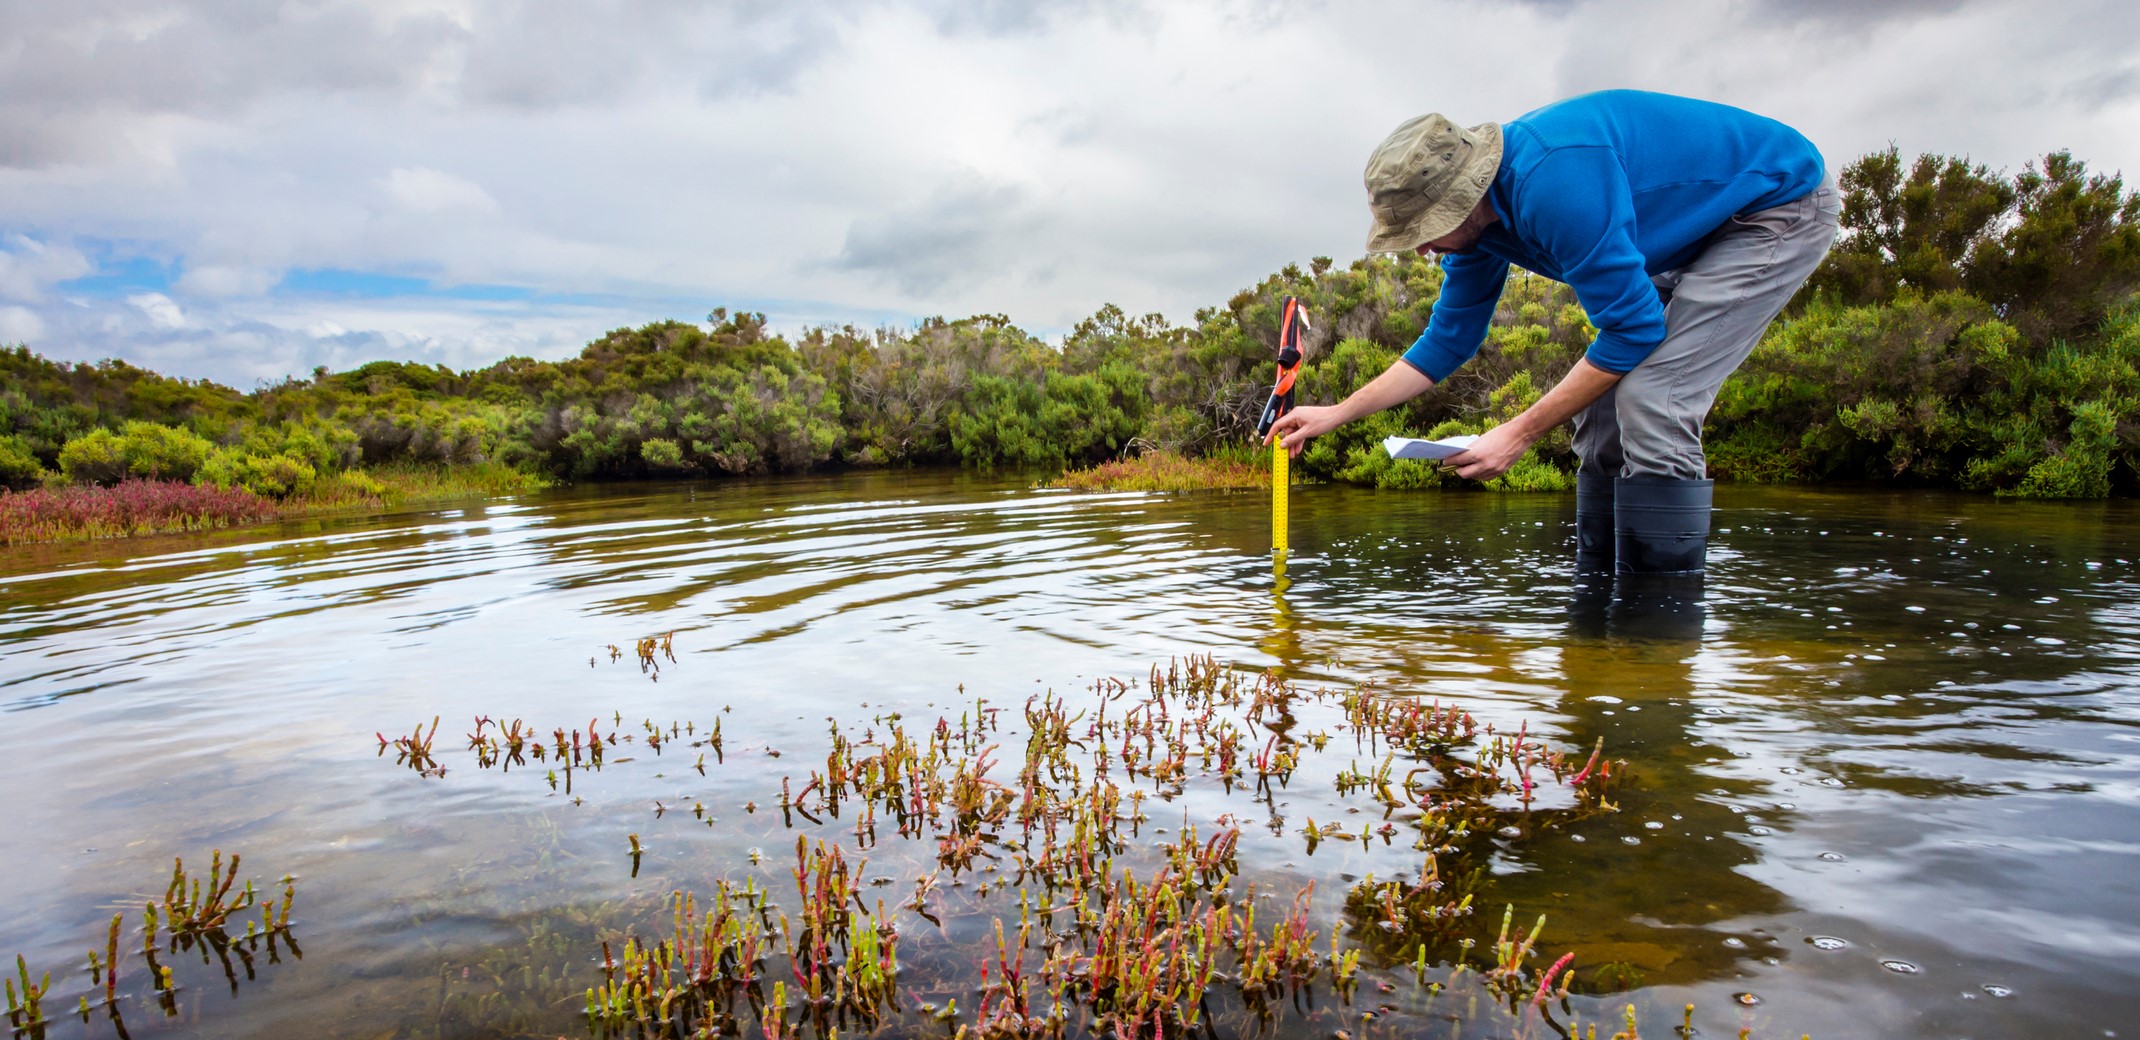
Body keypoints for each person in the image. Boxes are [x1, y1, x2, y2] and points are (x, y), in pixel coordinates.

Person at [1266, 90, 1840, 575]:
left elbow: (1633, 331)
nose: (1422, 246)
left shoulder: (1556, 183)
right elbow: (1449, 339)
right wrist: (1337, 412)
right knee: (1602, 408)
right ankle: (1597, 611)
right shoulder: (1479, 231)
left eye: (1429, 227)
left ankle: (1656, 635)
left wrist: (1517, 434)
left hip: (1773, 209)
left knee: (1652, 397)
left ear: (1467, 195)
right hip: (1686, 233)